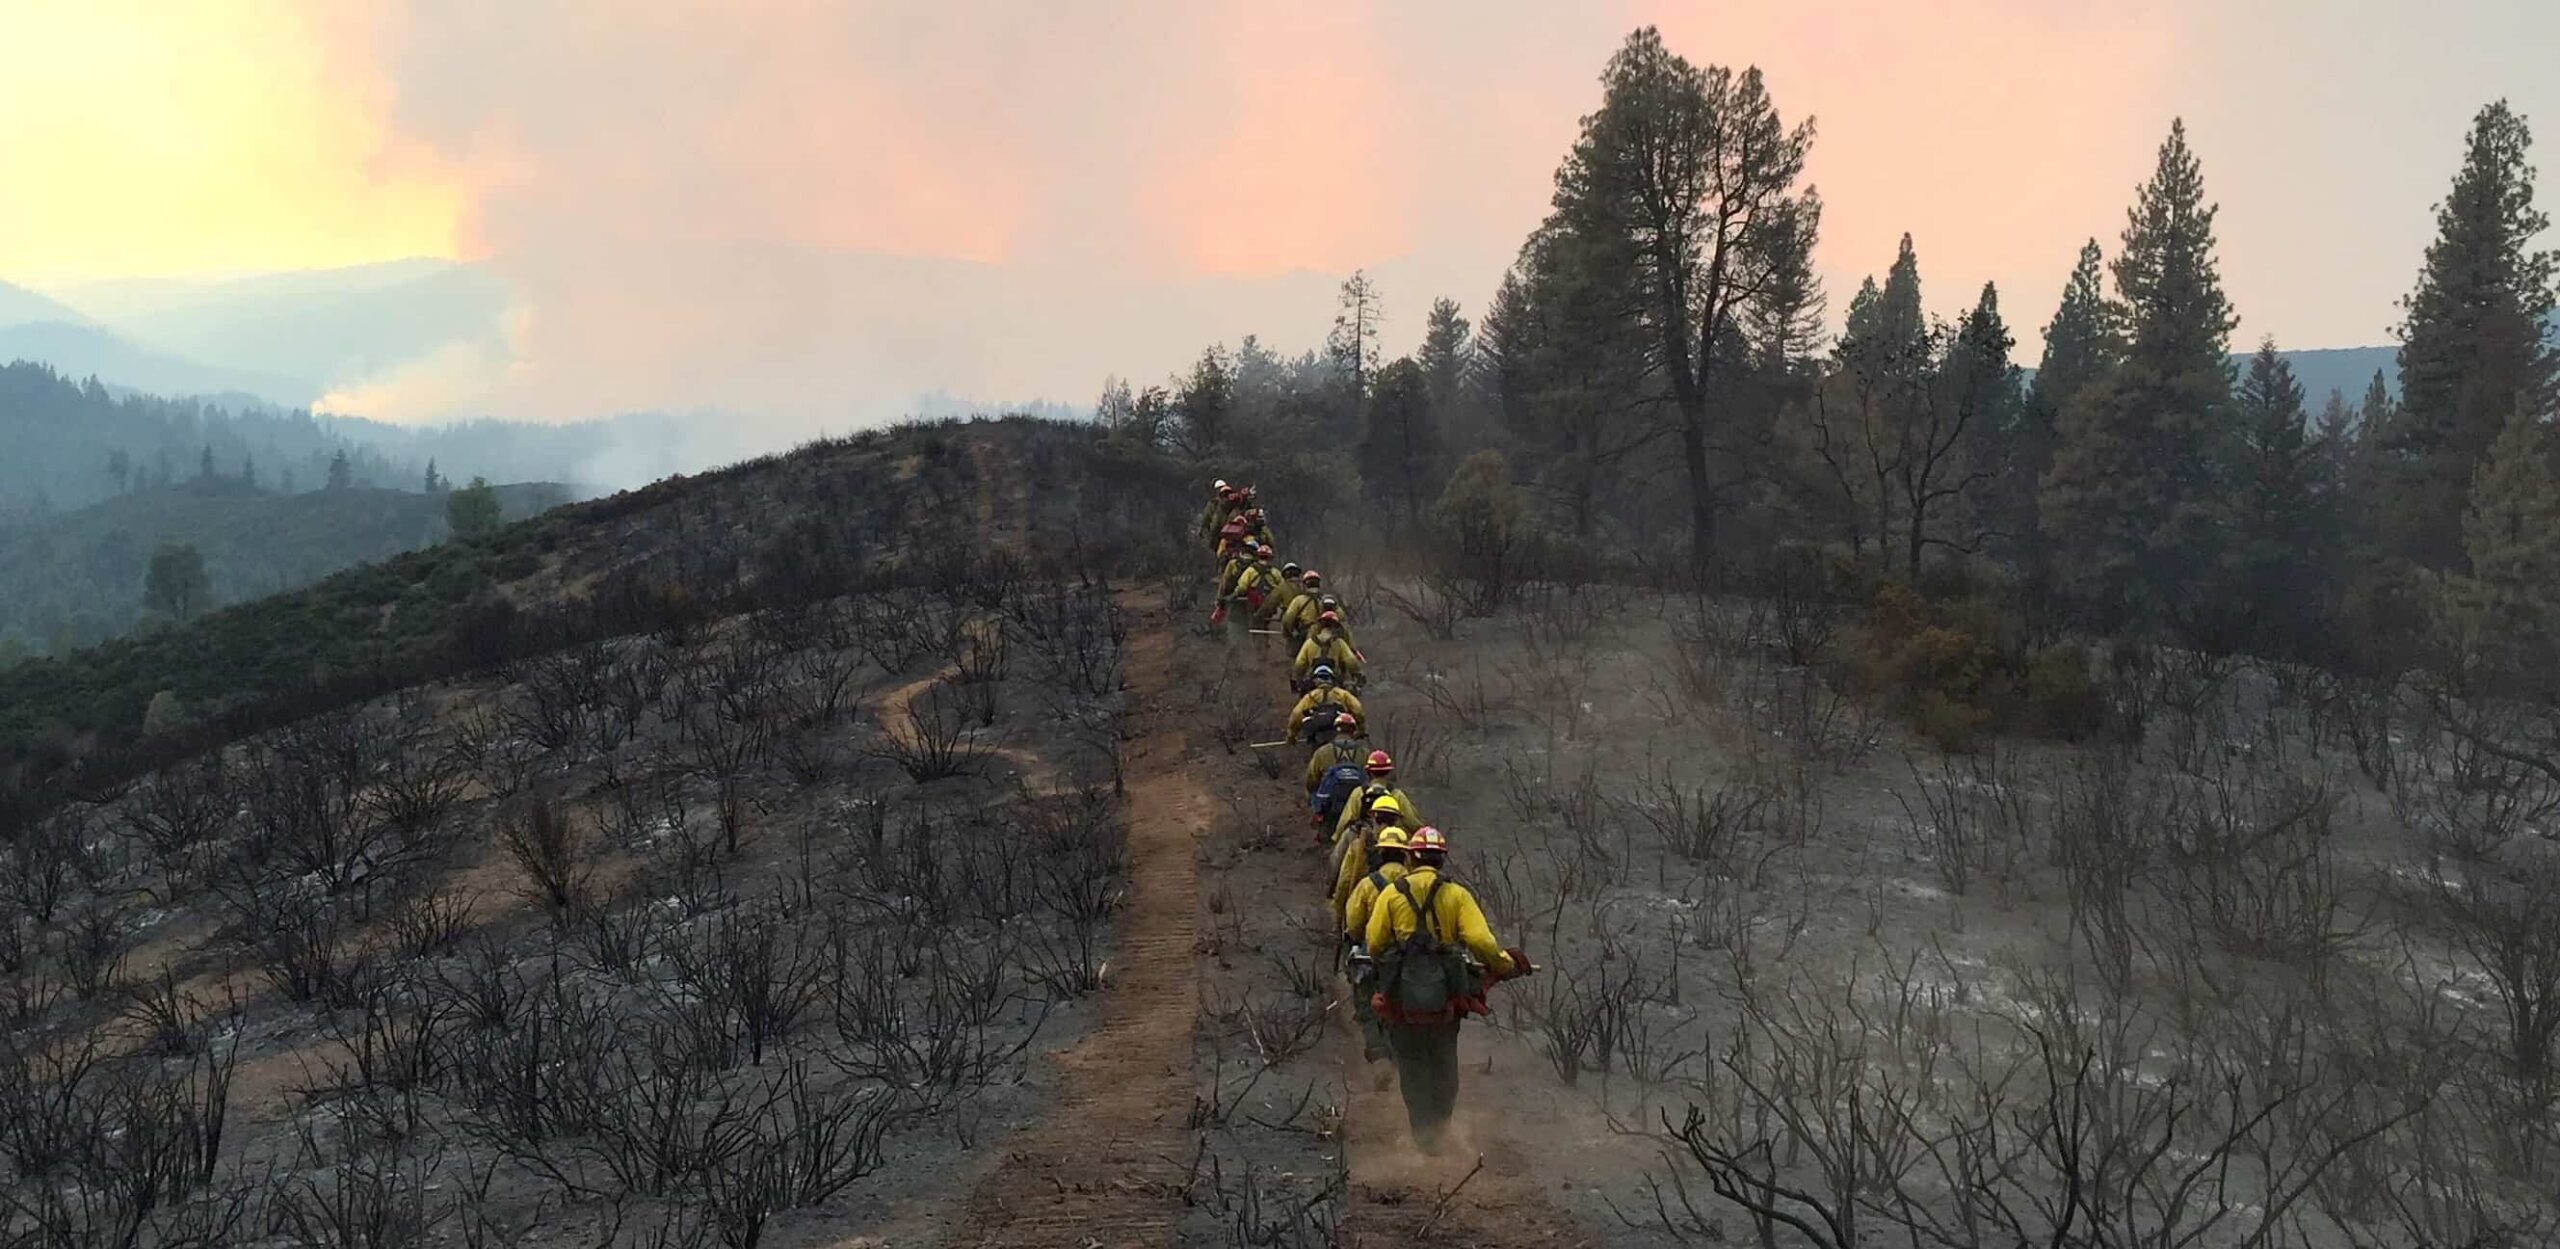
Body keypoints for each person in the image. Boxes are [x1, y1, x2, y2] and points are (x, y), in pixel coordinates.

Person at [1363, 827, 1533, 1152]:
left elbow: (1374, 942)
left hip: (1403, 1004)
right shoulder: (1456, 895)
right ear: (1441, 859)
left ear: (1411, 857)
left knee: (1412, 1068)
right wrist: (1504, 965)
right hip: (1444, 1005)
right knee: (1443, 1065)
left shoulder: (1392, 894)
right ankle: (1440, 1131)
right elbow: (1482, 942)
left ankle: (1423, 1139)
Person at [1341, 825, 1412, 1064]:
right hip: (1410, 957)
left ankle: (1379, 1053)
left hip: (1374, 957)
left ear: (1380, 854)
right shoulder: (1418, 885)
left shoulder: (1367, 885)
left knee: (1365, 1004)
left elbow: (1352, 924)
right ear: (1405, 854)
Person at [1284, 665, 1365, 744]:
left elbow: (1296, 714)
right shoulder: (1342, 694)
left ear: (1315, 680)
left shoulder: (1309, 697)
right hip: (1337, 731)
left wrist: (1291, 735)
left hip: (1317, 734)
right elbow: (1358, 710)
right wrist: (1360, 730)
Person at [1292, 614, 1361, 689]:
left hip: (1313, 679)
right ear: (1335, 627)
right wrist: (1358, 674)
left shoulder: (1309, 642)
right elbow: (1351, 660)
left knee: (1304, 696)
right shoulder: (1339, 643)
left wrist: (1298, 679)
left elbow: (1299, 663)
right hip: (1334, 679)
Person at [1280, 571, 1325, 647]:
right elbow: (1341, 617)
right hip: (1325, 634)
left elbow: (1287, 620)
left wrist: (1288, 632)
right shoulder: (1326, 600)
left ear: (1305, 585)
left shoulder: (1298, 600)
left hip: (1305, 636)